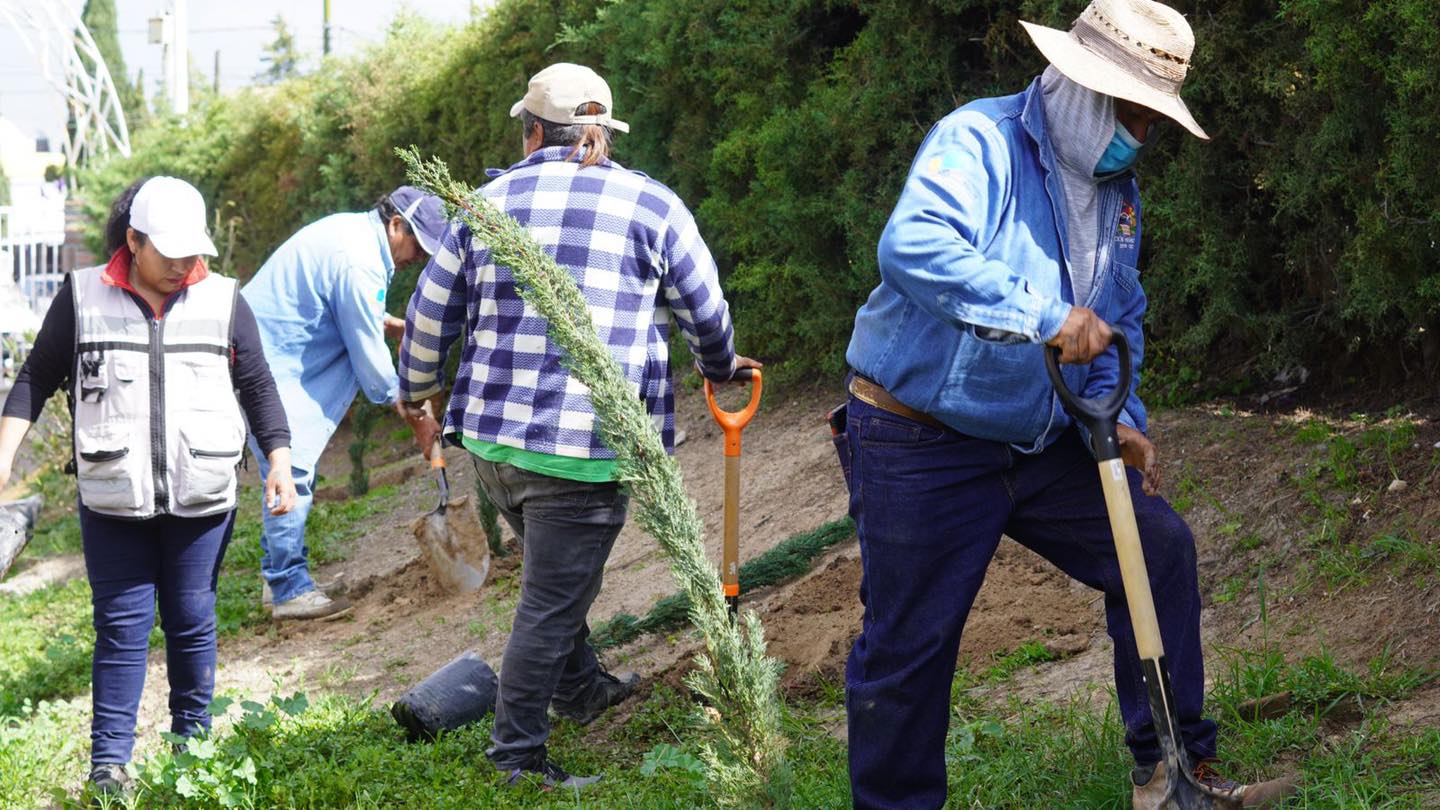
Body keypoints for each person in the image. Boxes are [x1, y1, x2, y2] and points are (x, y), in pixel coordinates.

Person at [838, 2, 1299, 807]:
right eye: (1134, 113)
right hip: (919, 439)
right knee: (910, 649)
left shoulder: (1116, 195)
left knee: (1156, 551)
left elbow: (1117, 318)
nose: (1142, 137)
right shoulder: (978, 142)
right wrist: (1044, 316)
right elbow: (913, 247)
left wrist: (1118, 417)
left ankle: (1172, 774)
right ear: (1084, 89)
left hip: (1037, 439)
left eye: (1154, 118)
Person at [397, 62, 762, 790]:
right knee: (553, 597)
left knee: (554, 576)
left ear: (532, 131)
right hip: (584, 451)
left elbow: (429, 317)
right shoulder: (652, 204)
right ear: (602, 133)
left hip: (493, 449)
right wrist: (719, 368)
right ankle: (519, 759)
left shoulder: (483, 205)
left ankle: (582, 689)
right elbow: (704, 308)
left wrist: (416, 392)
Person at [0, 177, 296, 799]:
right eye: (170, 254)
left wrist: (279, 459)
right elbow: (37, 376)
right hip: (113, 496)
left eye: (194, 253)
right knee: (121, 627)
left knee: (192, 620)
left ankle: (193, 746)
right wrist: (4, 454)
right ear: (133, 241)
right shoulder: (82, 297)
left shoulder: (223, 299)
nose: (185, 266)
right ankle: (108, 764)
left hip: (202, 493)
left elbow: (259, 386)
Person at [241, 187, 447, 620]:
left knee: (293, 467)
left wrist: (390, 325)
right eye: (418, 246)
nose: (420, 258)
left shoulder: (353, 238)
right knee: (290, 468)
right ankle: (287, 590)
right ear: (396, 225)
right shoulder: (358, 259)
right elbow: (369, 357)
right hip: (268, 360)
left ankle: (281, 577)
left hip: (272, 354)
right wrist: (413, 415)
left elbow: (346, 308)